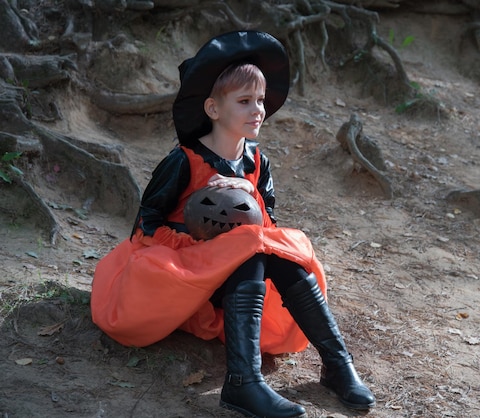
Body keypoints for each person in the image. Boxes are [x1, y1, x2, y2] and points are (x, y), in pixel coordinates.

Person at [90, 30, 375, 417]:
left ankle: (338, 365)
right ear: (212, 108)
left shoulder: (257, 163)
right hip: (179, 273)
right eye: (244, 101)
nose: (258, 109)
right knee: (248, 250)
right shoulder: (184, 160)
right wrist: (202, 245)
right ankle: (243, 383)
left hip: (235, 277)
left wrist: (245, 189)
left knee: (277, 254)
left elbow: (266, 226)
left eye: (260, 100)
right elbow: (145, 225)